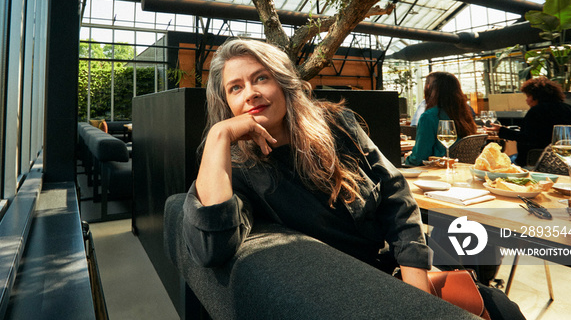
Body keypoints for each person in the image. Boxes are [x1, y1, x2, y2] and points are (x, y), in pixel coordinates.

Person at [182, 38, 431, 291]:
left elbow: (396, 195)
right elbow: (209, 249)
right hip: (347, 293)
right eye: (235, 88)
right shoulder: (239, 169)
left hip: (399, 273)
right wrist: (218, 135)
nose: (250, 93)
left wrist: (417, 289)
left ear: (283, 83)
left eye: (261, 78)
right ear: (226, 104)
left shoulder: (337, 124)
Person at [488, 77, 571, 166]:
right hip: (566, 161)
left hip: (536, 160)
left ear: (536, 96)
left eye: (528, 96)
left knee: (499, 161)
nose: (527, 101)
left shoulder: (536, 111)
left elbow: (528, 138)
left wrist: (502, 131)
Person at [403, 72, 478, 167]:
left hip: (436, 171)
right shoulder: (464, 113)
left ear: (432, 89)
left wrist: (408, 158)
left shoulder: (429, 117)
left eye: (427, 83)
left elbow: (419, 158)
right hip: (462, 168)